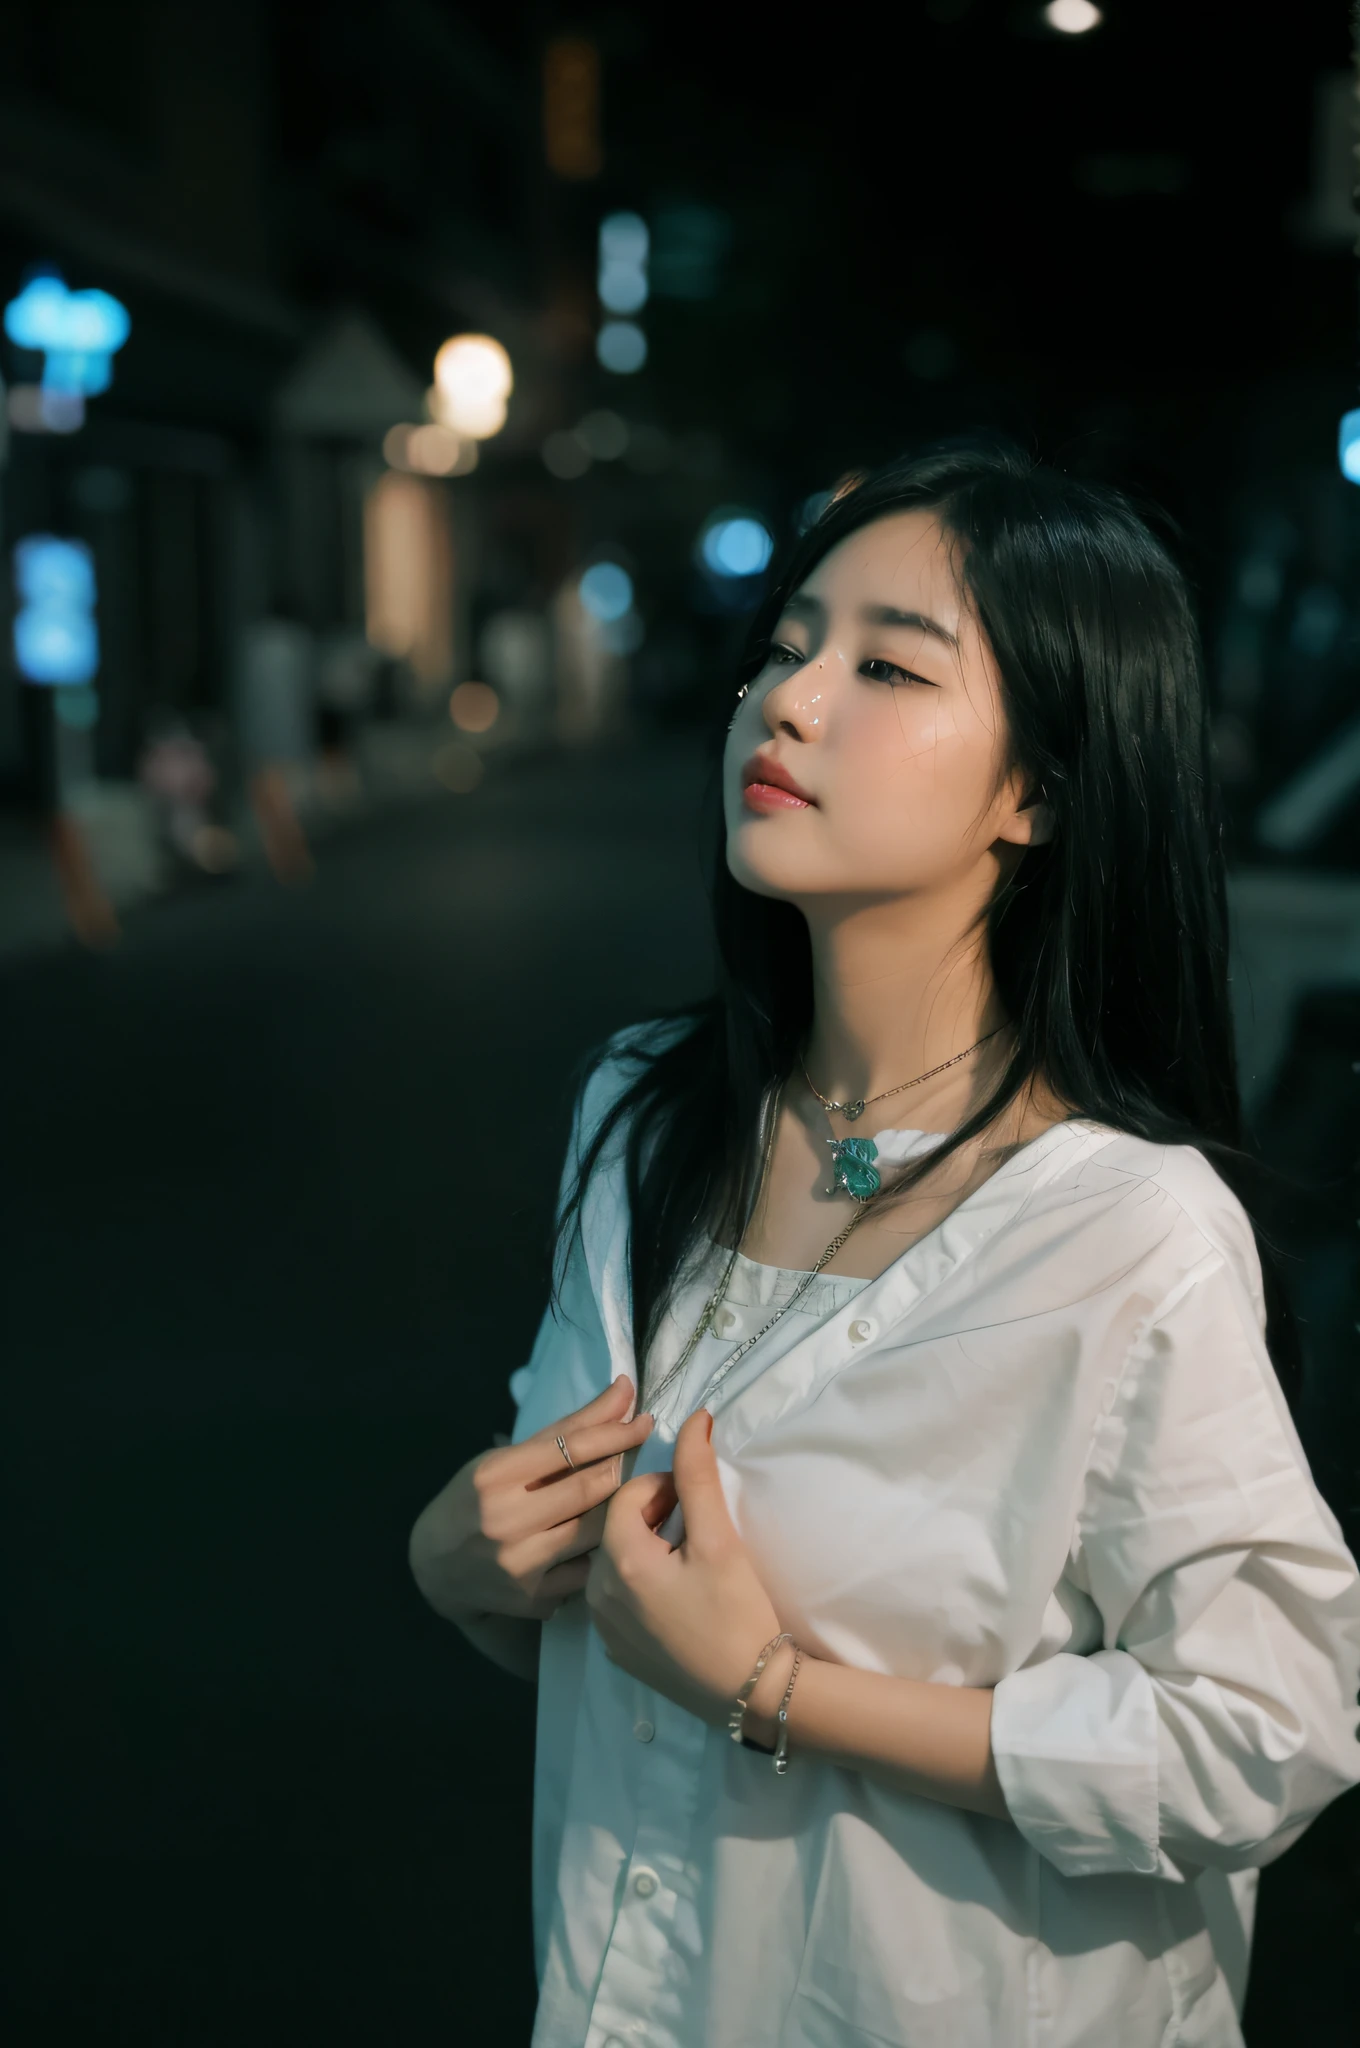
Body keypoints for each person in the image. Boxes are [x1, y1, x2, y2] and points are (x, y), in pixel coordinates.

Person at [408, 440, 1360, 2047]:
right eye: (783, 650)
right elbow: (615, 1610)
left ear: (1039, 791)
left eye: (886, 667)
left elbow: (1266, 1732)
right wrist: (460, 1572)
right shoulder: (647, 1115)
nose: (785, 703)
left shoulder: (1125, 1233)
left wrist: (773, 1692)